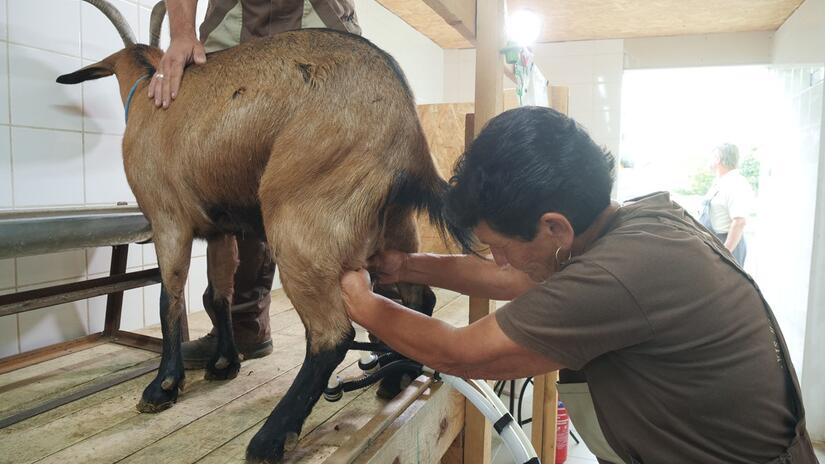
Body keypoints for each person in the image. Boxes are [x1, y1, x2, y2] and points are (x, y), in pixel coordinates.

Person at [340, 107, 816, 463]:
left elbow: (459, 353)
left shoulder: (614, 277)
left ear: (554, 229)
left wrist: (359, 300)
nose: (499, 261)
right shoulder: (637, 224)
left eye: (499, 245)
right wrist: (405, 266)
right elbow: (513, 276)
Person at [152, 0, 359, 367]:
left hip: (318, 12)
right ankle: (243, 326)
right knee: (228, 174)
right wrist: (182, 33)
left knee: (347, 166)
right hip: (236, 16)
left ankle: (394, 326)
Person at [699, 143, 754, 266]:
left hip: (727, 245)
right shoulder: (720, 182)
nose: (709, 160)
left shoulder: (736, 184)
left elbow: (739, 222)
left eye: (711, 156)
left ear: (718, 158)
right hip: (714, 243)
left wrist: (724, 254)